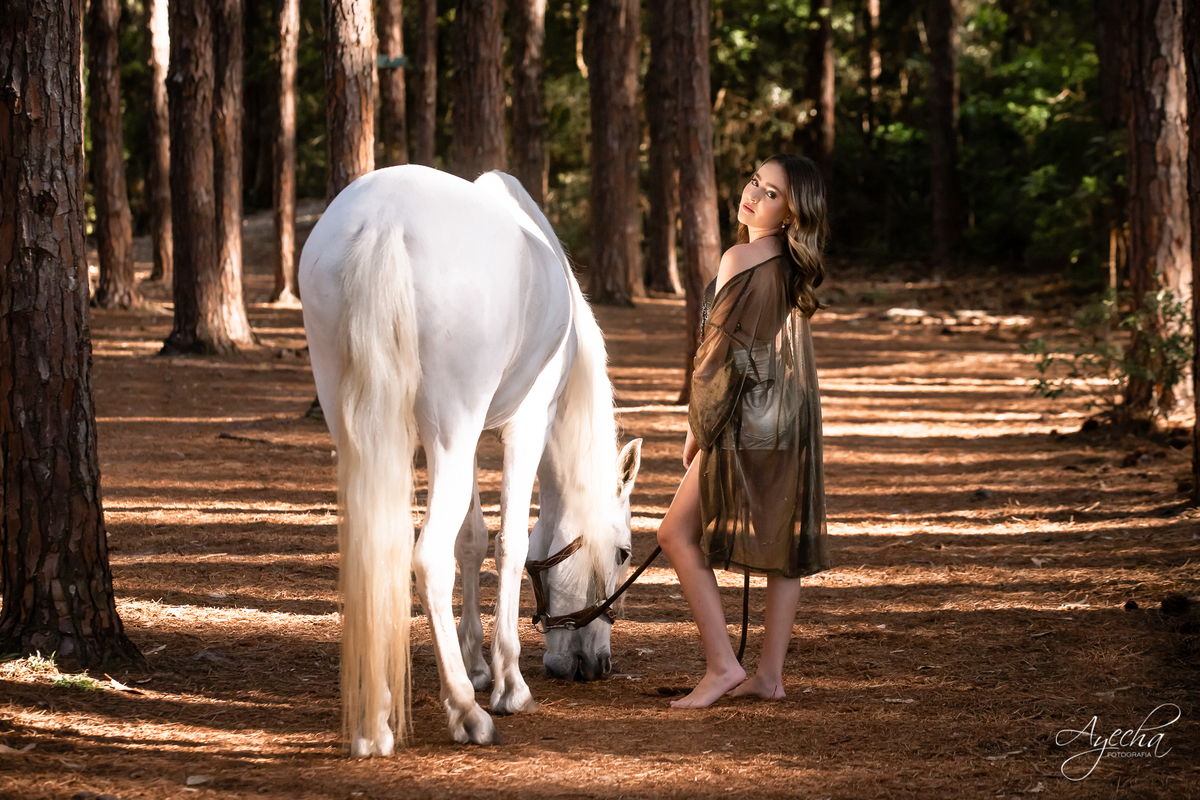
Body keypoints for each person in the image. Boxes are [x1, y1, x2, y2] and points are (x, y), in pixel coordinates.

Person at [657, 153, 830, 708]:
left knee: (674, 535)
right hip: (788, 417)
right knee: (782, 545)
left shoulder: (741, 257)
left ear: (791, 213)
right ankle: (770, 677)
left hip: (744, 415)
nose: (754, 195)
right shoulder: (790, 265)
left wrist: (698, 428)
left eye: (772, 193)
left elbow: (716, 358)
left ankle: (722, 666)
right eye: (755, 182)